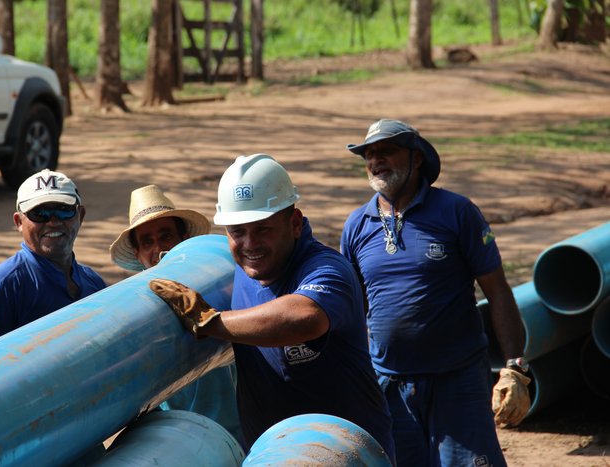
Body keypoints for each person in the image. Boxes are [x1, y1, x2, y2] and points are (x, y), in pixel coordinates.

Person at [149, 153, 396, 463]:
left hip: (347, 451)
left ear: (294, 223)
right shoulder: (243, 267)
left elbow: (304, 317)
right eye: (237, 232)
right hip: (272, 452)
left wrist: (210, 322)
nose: (250, 244)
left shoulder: (327, 269)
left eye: (263, 229)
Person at [341, 118, 531, 466]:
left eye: (386, 151)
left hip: (457, 381)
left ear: (416, 158)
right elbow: (355, 309)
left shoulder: (457, 212)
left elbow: (498, 290)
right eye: (369, 154)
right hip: (390, 385)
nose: (375, 161)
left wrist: (515, 366)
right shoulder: (356, 225)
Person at [108, 184, 243, 444]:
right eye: (147, 242)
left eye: (166, 235)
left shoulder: (216, 285)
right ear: (137, 253)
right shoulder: (133, 311)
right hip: (175, 441)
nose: (157, 249)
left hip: (232, 436)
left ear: (183, 241)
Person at [0, 169, 107, 354]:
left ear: (80, 216)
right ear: (19, 221)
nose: (53, 222)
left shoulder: (93, 282)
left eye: (63, 211)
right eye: (40, 213)